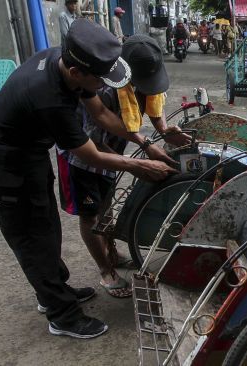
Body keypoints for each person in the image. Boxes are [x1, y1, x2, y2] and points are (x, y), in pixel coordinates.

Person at [0, 19, 177, 339]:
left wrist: (145, 143)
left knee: (48, 230)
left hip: (31, 158)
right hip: (8, 169)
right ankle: (63, 316)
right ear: (76, 74)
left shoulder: (67, 60)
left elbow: (100, 114)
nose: (103, 86)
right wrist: (137, 165)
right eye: (100, 80)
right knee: (33, 242)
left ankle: (54, 291)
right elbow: (90, 155)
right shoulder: (49, 97)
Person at [56, 34, 190, 299]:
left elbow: (155, 102)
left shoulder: (145, 85)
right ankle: (106, 270)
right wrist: (135, 161)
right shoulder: (103, 90)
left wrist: (163, 131)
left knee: (106, 204)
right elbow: (91, 143)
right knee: (90, 214)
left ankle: (112, 253)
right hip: (82, 157)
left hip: (112, 150)